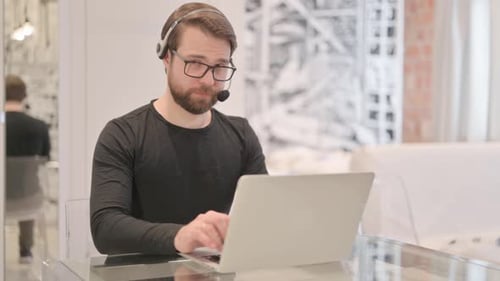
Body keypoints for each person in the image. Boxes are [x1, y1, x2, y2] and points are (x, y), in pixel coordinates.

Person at [90, 2, 267, 256]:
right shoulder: (123, 135)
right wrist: (179, 236)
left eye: (220, 66)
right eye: (195, 63)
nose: (208, 80)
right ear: (166, 57)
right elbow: (105, 229)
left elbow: (264, 215)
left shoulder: (241, 135)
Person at [4, 74, 51, 263]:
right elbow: (45, 157)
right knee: (28, 189)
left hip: (1, 198)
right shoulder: (39, 127)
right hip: (29, 200)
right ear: (24, 96)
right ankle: (26, 250)